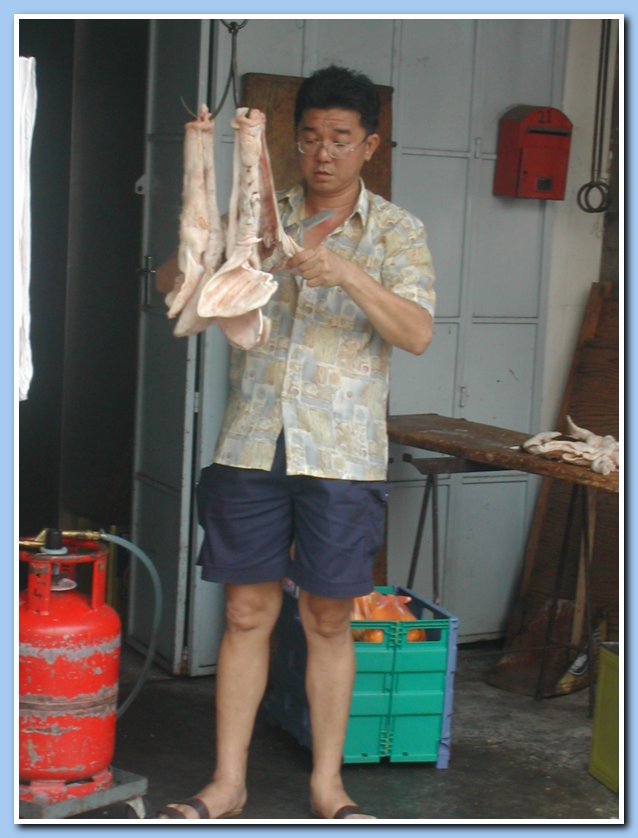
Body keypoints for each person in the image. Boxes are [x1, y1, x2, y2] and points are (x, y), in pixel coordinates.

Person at [160, 64, 435, 821]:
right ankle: (227, 785)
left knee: (327, 617)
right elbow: (175, 285)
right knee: (246, 613)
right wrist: (196, 253)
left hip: (340, 455)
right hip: (251, 444)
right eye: (311, 137)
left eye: (341, 140)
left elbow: (415, 333)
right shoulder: (262, 215)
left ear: (370, 145)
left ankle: (327, 786)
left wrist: (346, 273)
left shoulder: (397, 233)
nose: (323, 154)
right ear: (294, 139)